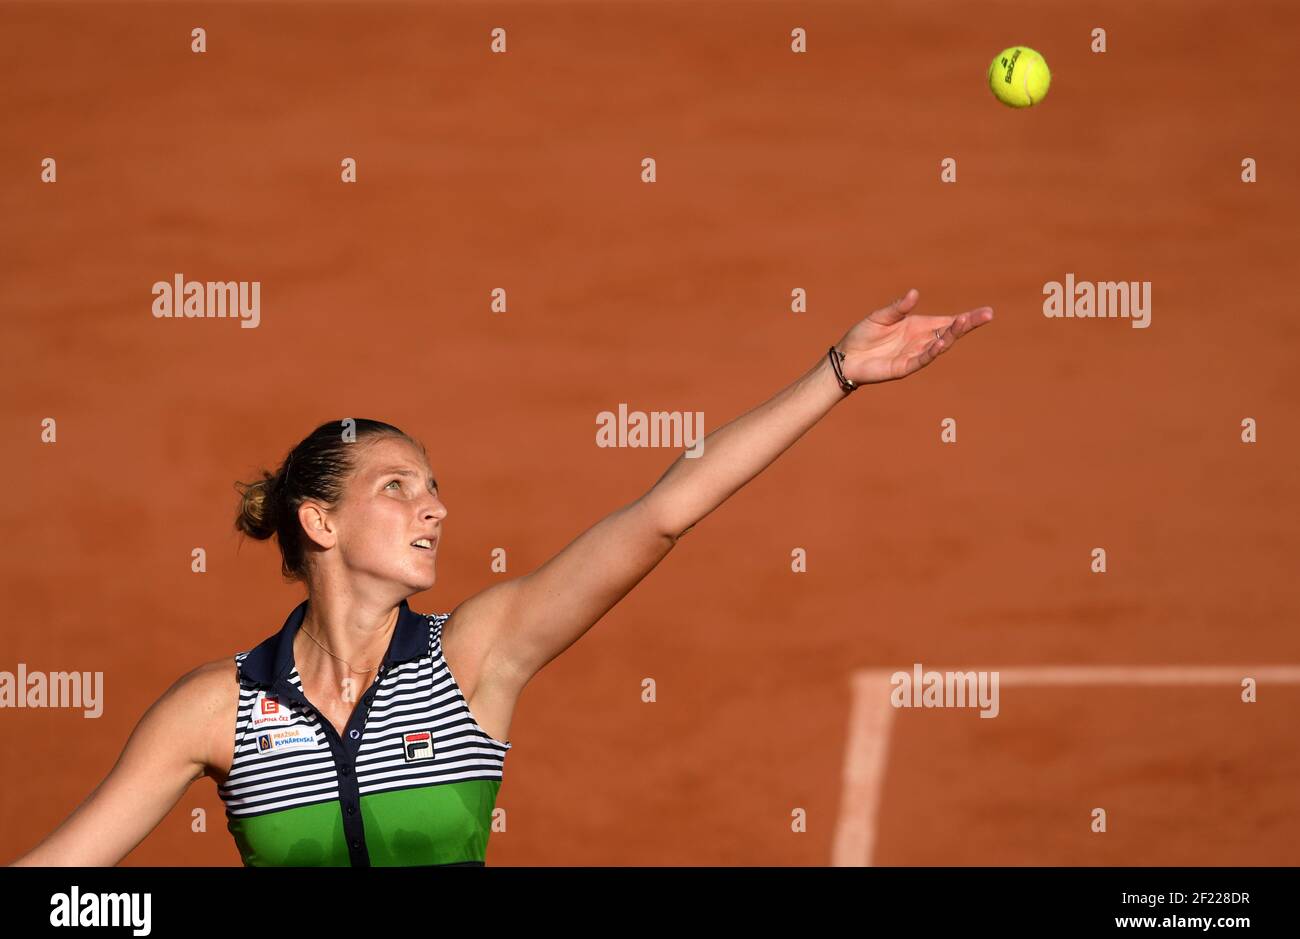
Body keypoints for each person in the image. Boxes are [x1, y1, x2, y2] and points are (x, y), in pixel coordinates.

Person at [8, 289, 991, 866]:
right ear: (319, 520)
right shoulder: (215, 709)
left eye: (434, 487)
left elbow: (660, 513)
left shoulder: (475, 655)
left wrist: (837, 372)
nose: (433, 505)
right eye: (397, 487)